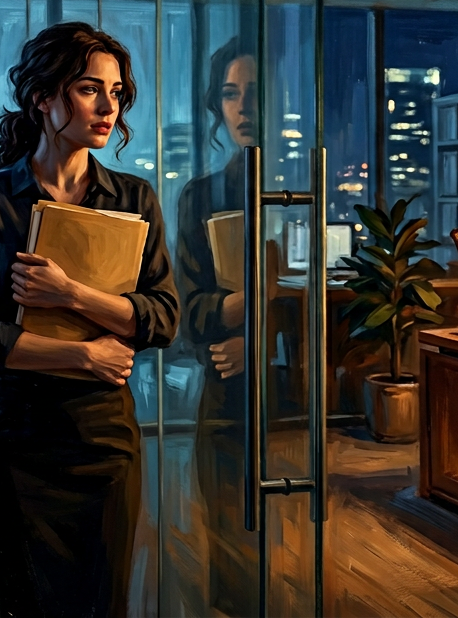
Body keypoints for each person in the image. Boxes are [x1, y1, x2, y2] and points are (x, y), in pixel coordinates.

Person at [0, 22, 179, 618]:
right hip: (11, 445)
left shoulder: (135, 199)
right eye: (89, 89)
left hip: (104, 443)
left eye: (116, 92)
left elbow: (162, 317)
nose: (108, 107)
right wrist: (84, 355)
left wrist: (71, 294)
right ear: (43, 97)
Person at [175, 37, 259, 617]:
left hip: (301, 402)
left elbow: (330, 294)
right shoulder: (201, 196)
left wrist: (257, 334)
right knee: (231, 546)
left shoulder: (306, 190)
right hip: (228, 393)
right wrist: (245, 309)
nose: (243, 107)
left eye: (255, 92)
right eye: (230, 94)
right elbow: (187, 311)